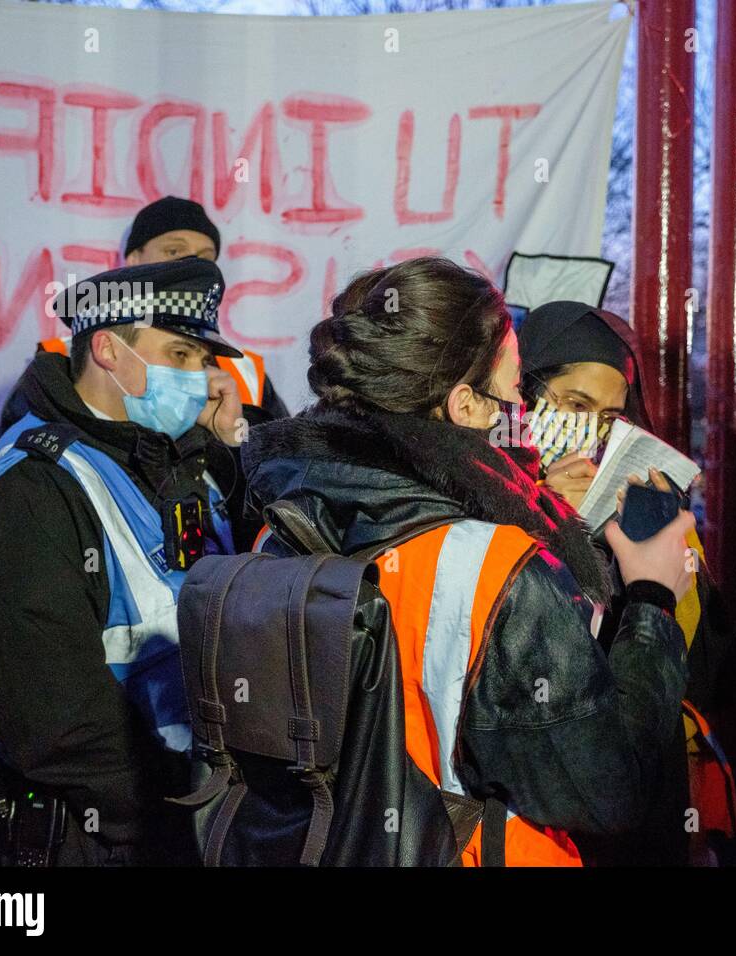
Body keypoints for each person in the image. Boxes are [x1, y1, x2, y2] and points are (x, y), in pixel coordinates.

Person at [240, 258, 697, 867]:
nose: (522, 408)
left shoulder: (282, 527)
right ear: (465, 406)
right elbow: (605, 788)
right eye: (514, 387)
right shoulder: (494, 563)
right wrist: (650, 599)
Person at [0, 258, 246, 865]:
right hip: (109, 837)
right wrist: (184, 812)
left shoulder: (178, 457)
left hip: (192, 815)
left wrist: (227, 448)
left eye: (202, 359)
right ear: (109, 349)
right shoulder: (30, 491)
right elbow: (54, 724)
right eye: (182, 355)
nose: (203, 376)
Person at [516, 300, 736, 865]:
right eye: (572, 404)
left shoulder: (642, 501)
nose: (589, 430)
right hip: (541, 810)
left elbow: (706, 670)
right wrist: (539, 514)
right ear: (521, 400)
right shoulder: (490, 506)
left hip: (644, 804)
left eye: (611, 415)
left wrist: (663, 549)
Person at [0, 196, 288, 439]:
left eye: (204, 256)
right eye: (173, 250)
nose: (191, 263)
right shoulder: (59, 358)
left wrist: (232, 443)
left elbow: (279, 475)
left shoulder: (246, 372)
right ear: (133, 259)